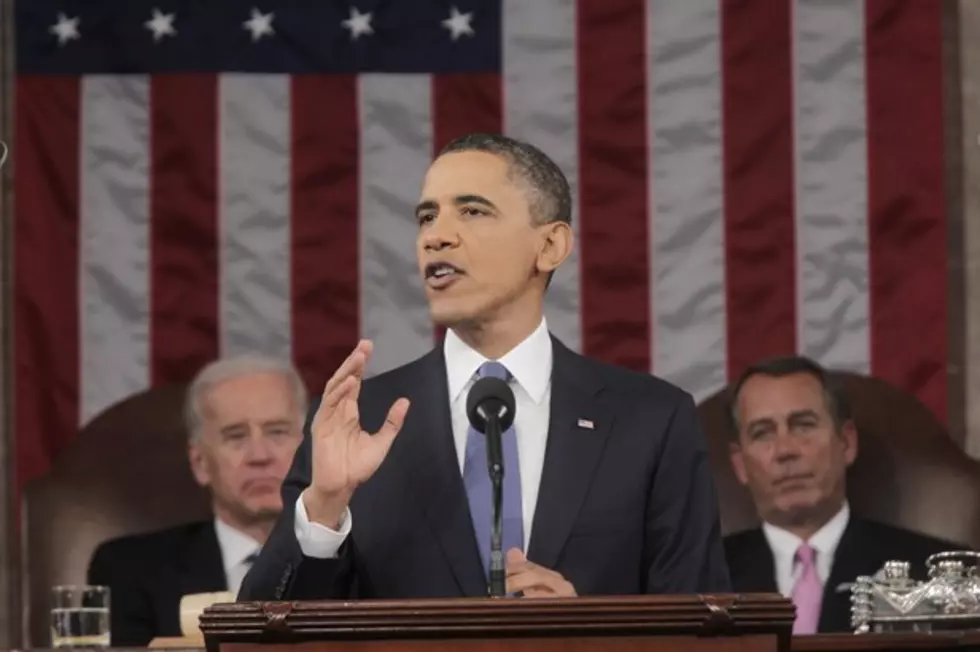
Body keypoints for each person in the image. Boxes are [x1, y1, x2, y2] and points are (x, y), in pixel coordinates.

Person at [239, 133, 730, 602]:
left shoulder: (651, 420)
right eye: (427, 217)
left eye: (472, 211)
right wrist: (324, 507)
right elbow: (263, 634)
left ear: (550, 246)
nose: (436, 237)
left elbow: (705, 634)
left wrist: (590, 632)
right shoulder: (358, 417)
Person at [722, 356, 962, 634]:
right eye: (763, 433)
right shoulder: (696, 578)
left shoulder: (935, 575)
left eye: (803, 425)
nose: (785, 449)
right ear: (740, 465)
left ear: (846, 443)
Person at [87, 356, 306, 646]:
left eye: (277, 432)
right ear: (200, 462)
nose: (260, 455)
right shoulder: (129, 570)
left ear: (309, 448)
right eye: (236, 436)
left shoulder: (363, 563)